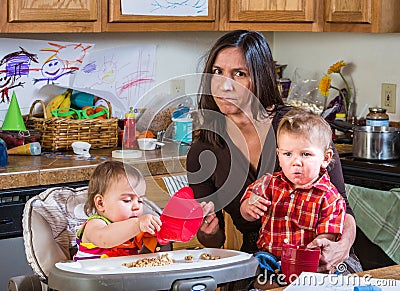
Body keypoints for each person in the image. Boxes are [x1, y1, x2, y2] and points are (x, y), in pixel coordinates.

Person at [186, 30, 361, 276]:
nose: (224, 85)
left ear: (260, 78)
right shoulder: (204, 150)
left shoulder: (300, 128)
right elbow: (214, 242)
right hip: (262, 263)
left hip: (322, 257)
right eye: (217, 72)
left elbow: (343, 207)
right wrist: (208, 230)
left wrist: (341, 247)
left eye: (239, 74)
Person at [240, 108, 346, 261]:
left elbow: (328, 236)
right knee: (255, 266)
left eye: (305, 154)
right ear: (279, 156)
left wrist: (321, 243)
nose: (296, 162)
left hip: (306, 261)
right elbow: (246, 208)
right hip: (268, 258)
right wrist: (249, 208)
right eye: (287, 154)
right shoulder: (268, 184)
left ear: (326, 158)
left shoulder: (330, 198)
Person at [74, 161, 162, 260]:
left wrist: (156, 234)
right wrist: (137, 224)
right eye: (127, 200)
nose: (137, 206)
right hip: (91, 274)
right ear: (100, 203)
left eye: (140, 200)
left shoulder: (134, 229)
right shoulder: (95, 224)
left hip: (123, 274)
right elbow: (104, 239)